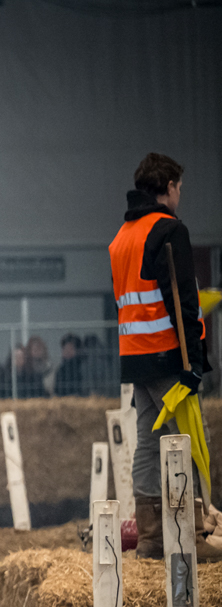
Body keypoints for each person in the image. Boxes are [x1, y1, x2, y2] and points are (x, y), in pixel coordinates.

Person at [111, 152, 220, 560]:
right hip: (169, 355)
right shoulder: (169, 230)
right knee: (191, 439)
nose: (179, 195)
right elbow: (185, 301)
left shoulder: (122, 237)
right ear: (169, 186)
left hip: (134, 356)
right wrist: (194, 361)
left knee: (148, 442)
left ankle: (152, 539)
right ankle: (194, 534)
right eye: (179, 188)